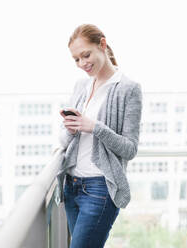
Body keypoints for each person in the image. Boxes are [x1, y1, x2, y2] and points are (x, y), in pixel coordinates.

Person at [56, 24, 143, 248]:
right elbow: (65, 142)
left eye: (86, 55)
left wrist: (95, 127)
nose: (82, 63)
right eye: (76, 59)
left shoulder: (128, 89)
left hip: (99, 189)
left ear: (102, 45)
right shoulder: (81, 86)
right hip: (71, 185)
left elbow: (130, 149)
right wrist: (70, 127)